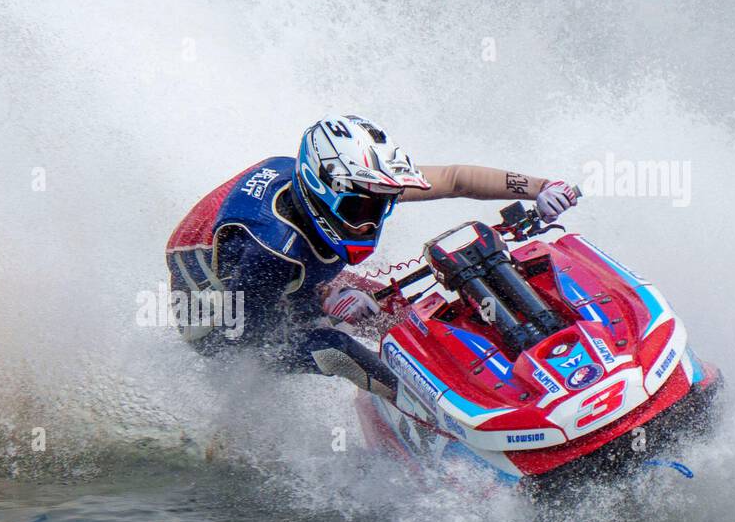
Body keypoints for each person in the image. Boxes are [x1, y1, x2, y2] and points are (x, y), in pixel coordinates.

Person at [164, 113, 579, 397]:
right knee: (336, 346)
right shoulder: (270, 254)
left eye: (381, 207)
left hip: (273, 274)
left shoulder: (359, 183)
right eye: (360, 210)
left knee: (402, 313)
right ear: (322, 192)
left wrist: (540, 187)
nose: (369, 223)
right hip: (219, 319)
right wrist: (324, 304)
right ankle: (434, 421)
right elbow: (254, 342)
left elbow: (455, 179)